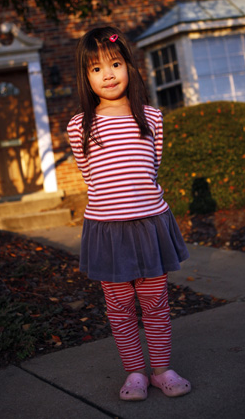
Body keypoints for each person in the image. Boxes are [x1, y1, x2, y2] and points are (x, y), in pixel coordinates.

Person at [67, 26, 191, 401]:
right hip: (108, 230)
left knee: (155, 304)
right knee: (120, 308)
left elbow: (151, 167)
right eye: (96, 69)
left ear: (129, 67)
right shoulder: (79, 126)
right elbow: (91, 176)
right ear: (85, 78)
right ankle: (135, 373)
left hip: (149, 225)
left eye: (115, 64)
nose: (107, 74)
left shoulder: (151, 117)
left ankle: (161, 369)